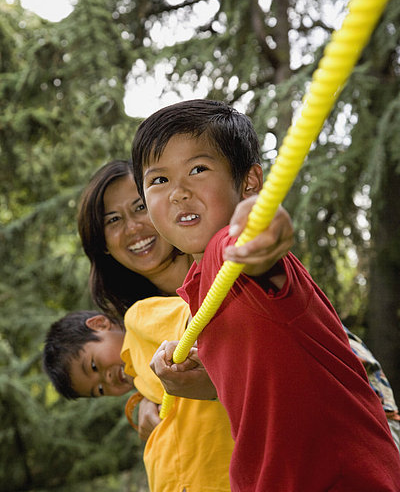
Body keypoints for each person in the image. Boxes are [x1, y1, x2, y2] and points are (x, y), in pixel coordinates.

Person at [131, 98, 400, 492]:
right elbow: (268, 382)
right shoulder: (198, 288)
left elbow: (248, 239)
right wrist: (203, 383)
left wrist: (261, 229)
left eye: (198, 169)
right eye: (159, 180)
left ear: (249, 183)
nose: (178, 192)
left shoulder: (232, 255)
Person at [74, 159, 294, 490]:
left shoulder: (224, 254)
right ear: (102, 243)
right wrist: (143, 403)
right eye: (114, 220)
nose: (134, 227)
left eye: (140, 207)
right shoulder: (140, 322)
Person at [43, 298, 234, 492]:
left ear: (99, 324)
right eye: (99, 390)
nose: (106, 379)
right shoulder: (144, 389)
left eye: (93, 366)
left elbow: (196, 318)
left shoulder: (139, 319)